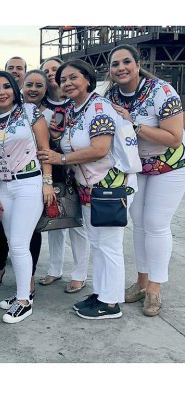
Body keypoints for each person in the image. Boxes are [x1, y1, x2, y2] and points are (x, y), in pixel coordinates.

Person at [38, 59, 135, 320]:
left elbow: (100, 149)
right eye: (64, 79)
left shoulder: (98, 107)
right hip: (89, 189)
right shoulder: (77, 109)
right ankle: (103, 293)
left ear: (88, 80)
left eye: (73, 78)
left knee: (109, 245)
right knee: (98, 243)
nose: (67, 83)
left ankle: (111, 303)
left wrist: (60, 159)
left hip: (108, 186)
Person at [105, 44, 185, 316]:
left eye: (127, 62)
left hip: (169, 165)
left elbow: (174, 138)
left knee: (156, 224)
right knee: (137, 223)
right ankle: (140, 281)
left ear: (138, 64)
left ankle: (154, 287)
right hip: (137, 167)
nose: (121, 68)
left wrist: (134, 125)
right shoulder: (112, 93)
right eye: (115, 64)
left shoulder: (162, 91)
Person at [0, 71, 54, 323]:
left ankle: (24, 301)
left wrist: (47, 182)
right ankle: (23, 292)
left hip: (29, 183)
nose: (1, 92)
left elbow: (45, 150)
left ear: (14, 88)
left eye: (6, 86)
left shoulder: (29, 112)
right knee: (13, 242)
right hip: (3, 187)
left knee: (21, 244)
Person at [38, 59, 90, 293]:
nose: (51, 74)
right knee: (54, 221)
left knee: (77, 223)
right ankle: (54, 269)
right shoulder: (38, 102)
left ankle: (79, 273)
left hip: (76, 167)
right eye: (46, 70)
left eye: (54, 69)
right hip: (50, 166)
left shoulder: (77, 102)